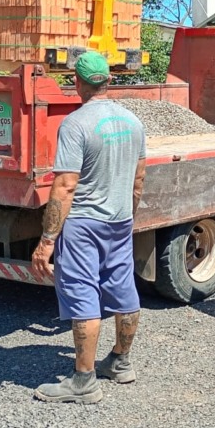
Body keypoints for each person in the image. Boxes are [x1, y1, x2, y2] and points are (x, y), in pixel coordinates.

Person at [31, 51, 147, 404]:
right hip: (119, 219)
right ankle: (120, 363)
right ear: (109, 80)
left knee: (83, 297)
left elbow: (65, 186)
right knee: (124, 291)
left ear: (76, 83)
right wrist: (128, 213)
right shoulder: (133, 122)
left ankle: (84, 381)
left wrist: (47, 241)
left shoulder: (75, 124)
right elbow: (139, 179)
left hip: (84, 224)